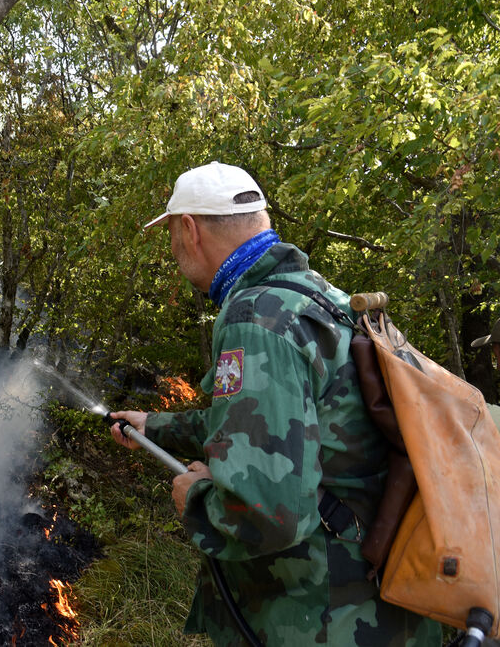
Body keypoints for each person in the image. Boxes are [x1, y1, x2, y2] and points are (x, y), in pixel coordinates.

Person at [109, 162, 441, 646]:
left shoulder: (255, 319)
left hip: (317, 617)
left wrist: (196, 499)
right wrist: (155, 426)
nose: (175, 251)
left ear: (189, 229)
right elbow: (272, 425)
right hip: (377, 608)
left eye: (173, 237)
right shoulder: (320, 298)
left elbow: (271, 513)